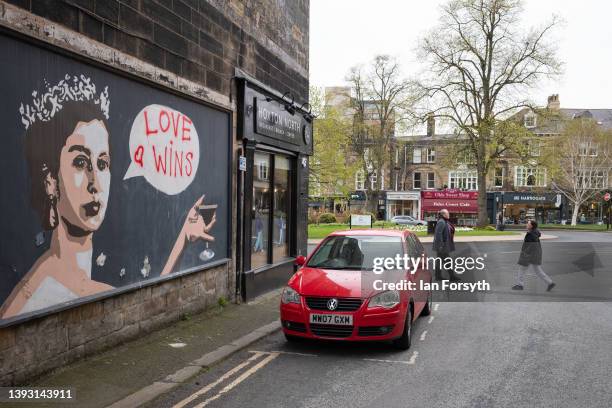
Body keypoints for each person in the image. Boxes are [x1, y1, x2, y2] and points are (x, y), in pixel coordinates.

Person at [0, 79, 216, 319]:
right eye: (81, 163)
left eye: (102, 164)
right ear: (51, 181)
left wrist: (182, 239)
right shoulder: (39, 291)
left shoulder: (81, 280)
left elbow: (149, 313)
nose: (95, 182)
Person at [512, 220, 555, 291]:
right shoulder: (535, 233)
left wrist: (525, 255)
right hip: (535, 255)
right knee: (538, 271)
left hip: (529, 256)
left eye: (528, 224)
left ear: (531, 226)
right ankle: (550, 283)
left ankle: (520, 285)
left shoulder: (531, 234)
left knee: (522, 269)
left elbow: (529, 247)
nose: (526, 224)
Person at [432, 209, 460, 281]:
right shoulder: (441, 222)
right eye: (448, 213)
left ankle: (438, 276)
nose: (449, 215)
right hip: (442, 246)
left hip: (442, 246)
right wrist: (441, 246)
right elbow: (438, 234)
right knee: (448, 260)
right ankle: (452, 276)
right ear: (444, 214)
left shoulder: (444, 221)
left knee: (440, 261)